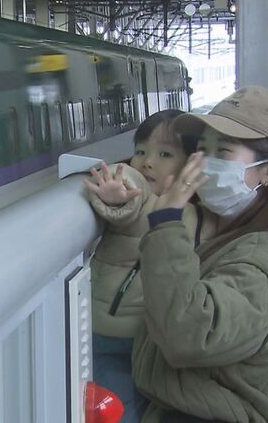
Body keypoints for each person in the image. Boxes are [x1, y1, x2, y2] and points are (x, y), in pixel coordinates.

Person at [131, 86, 268, 423]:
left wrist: (166, 223)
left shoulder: (257, 265)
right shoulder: (230, 228)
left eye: (223, 152)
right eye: (202, 149)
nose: (206, 164)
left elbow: (188, 334)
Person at [83, 109, 217, 422]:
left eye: (165, 154)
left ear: (191, 164)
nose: (147, 162)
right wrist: (117, 192)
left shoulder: (202, 216)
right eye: (140, 151)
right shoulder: (143, 198)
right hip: (114, 335)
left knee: (151, 407)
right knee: (118, 409)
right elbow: (128, 186)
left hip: (157, 340)